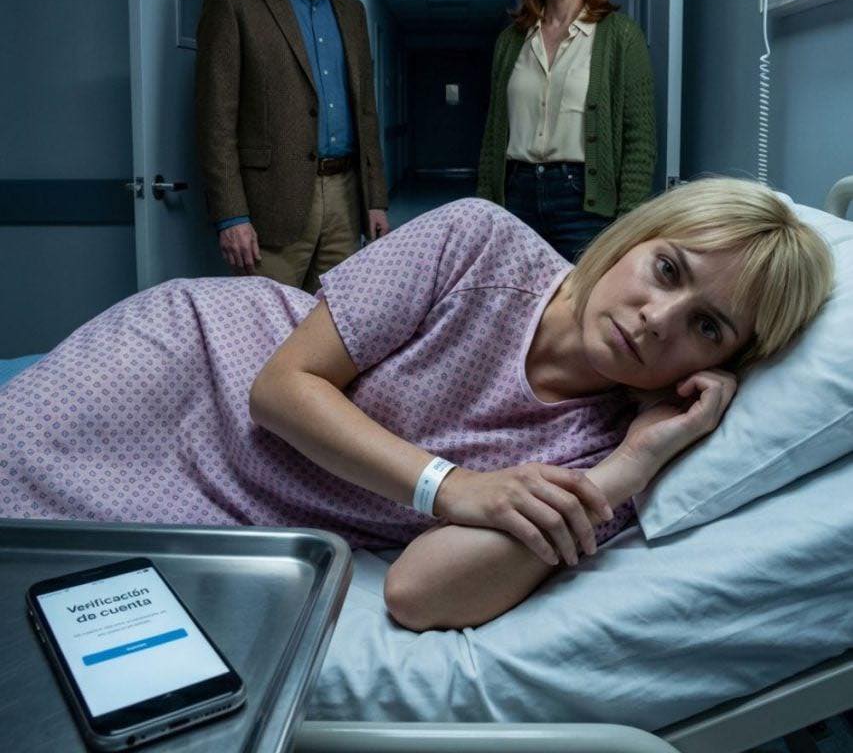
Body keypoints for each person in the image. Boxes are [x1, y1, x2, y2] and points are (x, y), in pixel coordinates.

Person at [0, 179, 833, 634]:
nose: (658, 320)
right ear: (635, 238)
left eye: (706, 326)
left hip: (256, 514)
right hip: (192, 372)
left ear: (720, 365)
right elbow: (280, 389)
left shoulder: (603, 451)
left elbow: (418, 595)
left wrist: (633, 464)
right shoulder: (479, 242)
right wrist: (454, 487)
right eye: (667, 270)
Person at [195, 0, 390, 293]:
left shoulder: (352, 11)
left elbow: (366, 113)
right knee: (269, 326)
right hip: (270, 206)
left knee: (337, 322)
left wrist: (375, 199)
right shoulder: (233, 0)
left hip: (345, 201)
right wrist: (231, 215)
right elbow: (216, 121)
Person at [477, 0, 656, 265]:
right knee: (514, 296)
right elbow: (493, 134)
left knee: (580, 298)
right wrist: (484, 206)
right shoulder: (510, 41)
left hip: (585, 205)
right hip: (515, 198)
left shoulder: (621, 36)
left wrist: (628, 226)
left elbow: (640, 141)